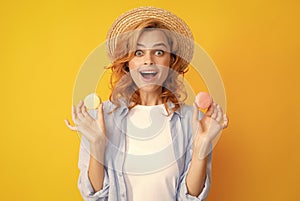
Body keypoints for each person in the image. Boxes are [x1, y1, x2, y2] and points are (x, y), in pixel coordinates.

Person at [65, 6, 228, 201]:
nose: (148, 61)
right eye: (138, 53)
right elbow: (96, 197)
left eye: (159, 52)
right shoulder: (100, 119)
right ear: (127, 62)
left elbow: (190, 198)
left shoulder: (192, 121)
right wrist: (97, 145)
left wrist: (202, 148)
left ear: (171, 61)